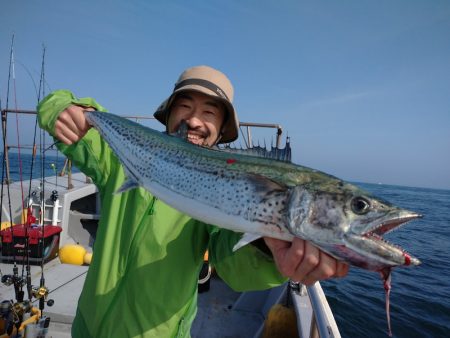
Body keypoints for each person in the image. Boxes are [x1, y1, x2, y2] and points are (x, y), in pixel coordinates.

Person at [37, 65, 348, 337]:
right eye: (185, 106)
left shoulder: (223, 192)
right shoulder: (121, 161)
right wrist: (67, 108)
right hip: (88, 329)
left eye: (210, 112)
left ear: (221, 131)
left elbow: (235, 267)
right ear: (169, 114)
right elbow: (57, 108)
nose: (195, 121)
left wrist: (268, 249)